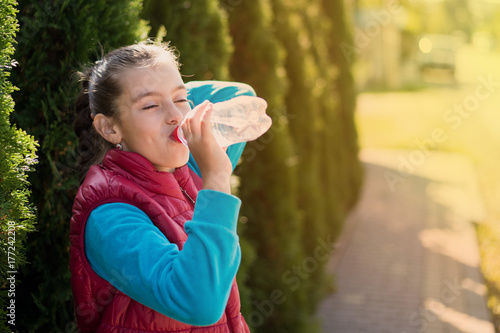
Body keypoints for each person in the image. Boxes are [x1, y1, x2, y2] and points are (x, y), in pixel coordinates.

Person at [70, 42, 254, 332]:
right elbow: (199, 303)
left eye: (181, 100)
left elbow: (240, 94)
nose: (176, 117)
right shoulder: (109, 214)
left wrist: (162, 88)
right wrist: (217, 176)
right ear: (109, 128)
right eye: (150, 105)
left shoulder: (185, 170)